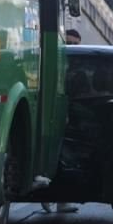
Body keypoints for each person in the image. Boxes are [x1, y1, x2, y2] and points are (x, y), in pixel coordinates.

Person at [43, 28, 83, 214]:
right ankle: (48, 197)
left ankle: (59, 200)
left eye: (75, 44)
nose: (71, 47)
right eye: (68, 42)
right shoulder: (54, 61)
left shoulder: (78, 68)